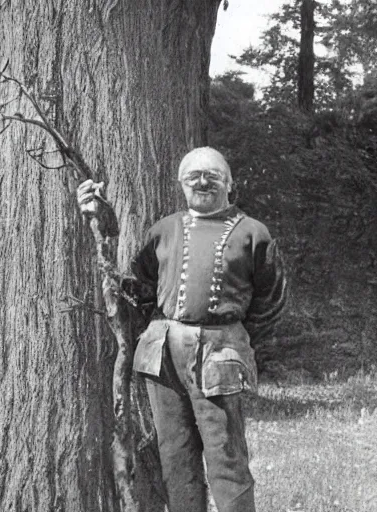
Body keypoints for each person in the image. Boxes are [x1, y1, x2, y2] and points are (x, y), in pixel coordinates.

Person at [76, 147, 287, 512]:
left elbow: (272, 300)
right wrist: (100, 223)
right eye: (193, 176)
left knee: (227, 459)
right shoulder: (165, 229)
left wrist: (237, 342)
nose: (202, 182)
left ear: (230, 183)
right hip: (163, 358)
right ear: (181, 184)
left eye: (213, 175)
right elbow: (138, 289)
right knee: (175, 456)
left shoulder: (254, 233)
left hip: (221, 357)